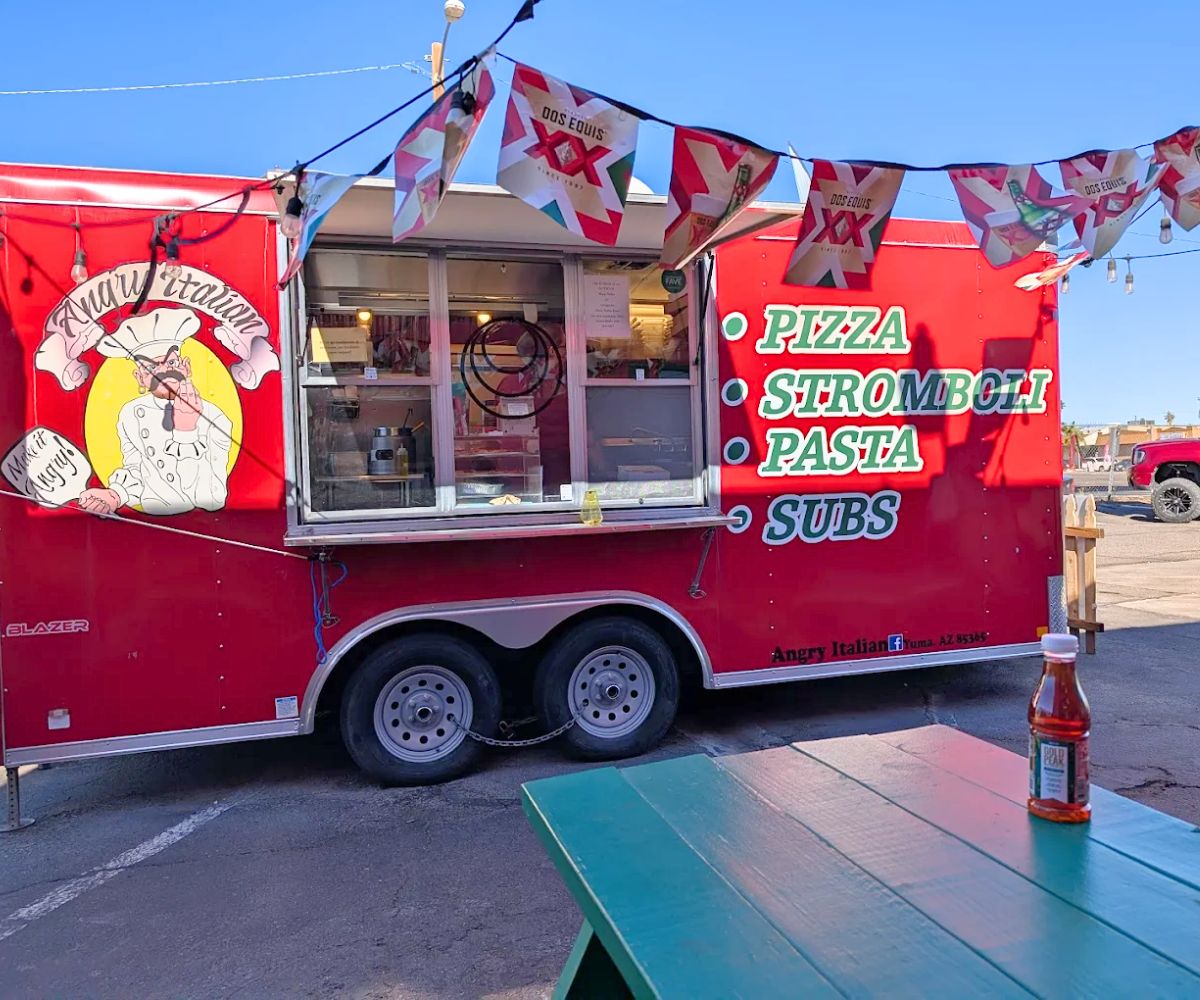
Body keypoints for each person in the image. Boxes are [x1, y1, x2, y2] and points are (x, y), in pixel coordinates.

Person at [77, 307, 233, 516]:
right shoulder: (130, 414)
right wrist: (115, 495)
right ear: (140, 378)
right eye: (150, 367)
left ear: (186, 367)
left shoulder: (214, 418)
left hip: (196, 528)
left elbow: (212, 499)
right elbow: (136, 469)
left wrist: (186, 431)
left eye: (171, 362)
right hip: (146, 526)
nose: (163, 370)